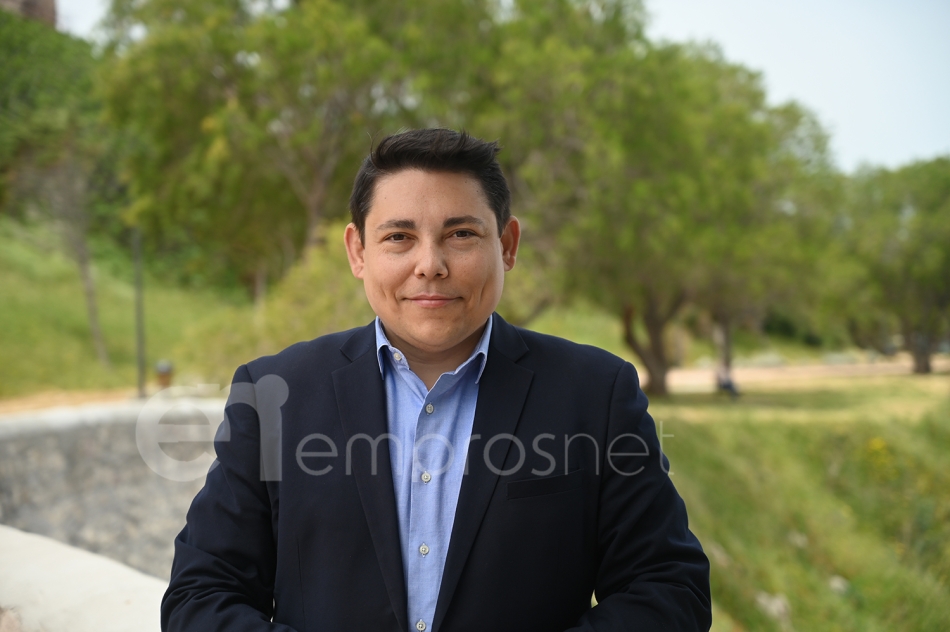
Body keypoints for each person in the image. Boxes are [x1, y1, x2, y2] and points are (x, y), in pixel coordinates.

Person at [161, 129, 711, 632]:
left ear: (507, 245)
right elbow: (199, 596)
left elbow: (669, 588)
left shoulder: (596, 393)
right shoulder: (274, 395)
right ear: (358, 251)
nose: (430, 264)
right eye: (399, 237)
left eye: (461, 234)